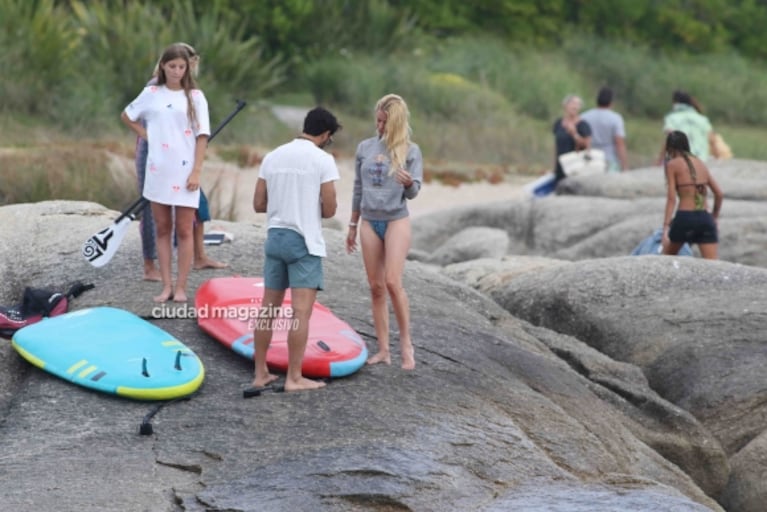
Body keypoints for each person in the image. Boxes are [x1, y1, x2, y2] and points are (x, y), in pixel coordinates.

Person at [251, 107, 341, 392]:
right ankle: (294, 377)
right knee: (300, 313)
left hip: (275, 237)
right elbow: (329, 209)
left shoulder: (273, 156)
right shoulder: (323, 160)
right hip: (304, 241)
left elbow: (258, 204)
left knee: (268, 309)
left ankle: (260, 373)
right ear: (326, 134)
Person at [121, 43, 211, 302]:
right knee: (162, 228)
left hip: (185, 172)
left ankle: (181, 287)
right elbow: (127, 115)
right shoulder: (152, 92)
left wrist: (196, 171)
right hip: (158, 170)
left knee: (184, 229)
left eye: (181, 67)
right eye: (172, 66)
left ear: (187, 68)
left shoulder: (196, 97)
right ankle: (166, 285)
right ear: (163, 66)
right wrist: (145, 135)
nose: (177, 71)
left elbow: (202, 136)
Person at [134, 43, 226, 282]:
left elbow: (197, 129)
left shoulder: (192, 94)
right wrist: (151, 138)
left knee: (197, 207)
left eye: (186, 65)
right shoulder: (155, 88)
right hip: (154, 157)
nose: (183, 70)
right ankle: (149, 264)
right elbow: (135, 118)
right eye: (175, 65)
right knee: (154, 213)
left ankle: (198, 255)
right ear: (165, 65)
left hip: (183, 158)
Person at [345, 94, 423, 370]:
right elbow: (357, 187)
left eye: (383, 122)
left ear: (396, 123)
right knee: (376, 287)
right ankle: (383, 350)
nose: (378, 126)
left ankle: (406, 344)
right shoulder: (364, 147)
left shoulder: (411, 151)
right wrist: (352, 225)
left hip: (395, 220)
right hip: (369, 220)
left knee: (392, 282)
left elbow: (414, 192)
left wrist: (407, 184)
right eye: (377, 120)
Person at [661, 130, 724, 260]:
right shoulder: (700, 163)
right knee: (713, 266)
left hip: (685, 218)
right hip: (704, 218)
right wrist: (714, 217)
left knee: (666, 260)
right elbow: (719, 193)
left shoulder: (672, 165)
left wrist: (666, 227)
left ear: (669, 148)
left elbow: (671, 198)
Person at [656, 90, 719, 164]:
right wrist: (718, 157)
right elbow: (712, 140)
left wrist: (659, 160)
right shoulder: (702, 119)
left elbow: (669, 140)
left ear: (674, 102)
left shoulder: (671, 118)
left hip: (680, 160)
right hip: (701, 160)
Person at [580, 86, 628, 172]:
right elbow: (619, 144)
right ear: (611, 102)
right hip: (609, 159)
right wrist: (624, 166)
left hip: (589, 158)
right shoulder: (615, 118)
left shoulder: (584, 117)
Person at [552, 94, 592, 182]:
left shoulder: (583, 125)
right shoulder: (558, 123)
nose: (575, 106)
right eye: (572, 103)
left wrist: (574, 134)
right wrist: (554, 166)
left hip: (575, 166)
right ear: (565, 106)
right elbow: (556, 146)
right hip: (560, 166)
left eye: (578, 104)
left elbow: (587, 145)